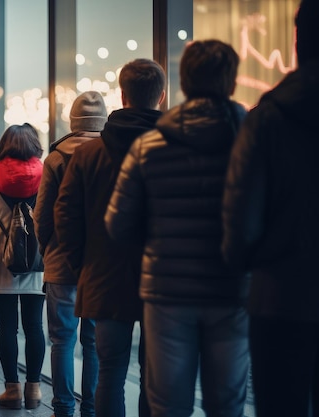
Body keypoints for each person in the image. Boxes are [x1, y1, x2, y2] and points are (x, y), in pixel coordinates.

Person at [105, 41, 249, 417]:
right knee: (228, 402)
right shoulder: (252, 141)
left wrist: (158, 244)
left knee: (168, 403)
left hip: (166, 290)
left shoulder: (149, 146)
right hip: (231, 288)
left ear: (183, 84)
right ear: (231, 83)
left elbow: (117, 224)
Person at [221, 2, 319, 416]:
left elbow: (243, 213)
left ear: (298, 41)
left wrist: (239, 263)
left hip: (281, 295)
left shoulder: (267, 118)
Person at [54, 61, 165, 417]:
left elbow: (64, 216)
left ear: (123, 95)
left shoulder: (87, 154)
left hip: (103, 275)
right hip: (161, 278)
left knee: (110, 373)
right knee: (156, 377)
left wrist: (82, 263)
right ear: (161, 97)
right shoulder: (170, 149)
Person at [35, 91, 107, 417]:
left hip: (60, 262)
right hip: (99, 263)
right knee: (93, 343)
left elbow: (43, 215)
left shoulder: (54, 159)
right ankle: (90, 408)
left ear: (73, 122)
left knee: (61, 340)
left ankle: (63, 408)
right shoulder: (112, 154)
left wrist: (46, 249)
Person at [0, 123, 45, 409]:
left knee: (6, 327)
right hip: (37, 262)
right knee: (34, 326)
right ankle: (35, 391)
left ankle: (12, 391)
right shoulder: (46, 176)